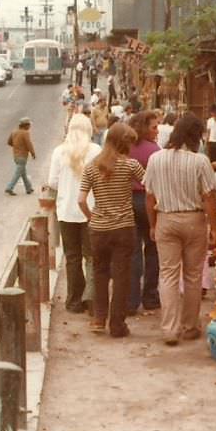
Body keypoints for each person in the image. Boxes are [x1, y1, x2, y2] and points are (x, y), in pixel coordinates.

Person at [144, 113, 216, 345]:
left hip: (166, 219)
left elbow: (149, 196)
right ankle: (189, 326)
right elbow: (209, 197)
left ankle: (169, 329)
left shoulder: (156, 159)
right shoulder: (200, 161)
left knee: (167, 274)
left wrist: (153, 224)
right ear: (196, 136)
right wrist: (214, 227)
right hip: (194, 221)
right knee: (193, 276)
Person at [78, 123, 144, 338]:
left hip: (99, 229)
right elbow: (150, 184)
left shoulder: (91, 166)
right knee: (122, 276)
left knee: (100, 273)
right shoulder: (130, 165)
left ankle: (99, 318)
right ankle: (117, 324)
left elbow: (81, 200)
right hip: (124, 227)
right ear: (123, 143)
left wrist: (92, 218)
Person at [48, 114, 102, 314]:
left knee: (72, 256)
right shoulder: (96, 151)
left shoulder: (59, 152)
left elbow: (52, 181)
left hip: (66, 211)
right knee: (91, 256)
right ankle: (92, 298)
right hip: (90, 210)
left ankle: (73, 300)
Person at [127, 111, 161, 314]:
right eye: (154, 127)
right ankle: (150, 296)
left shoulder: (126, 148)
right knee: (152, 249)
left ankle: (131, 300)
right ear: (143, 127)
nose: (157, 131)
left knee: (133, 252)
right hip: (148, 200)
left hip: (127, 201)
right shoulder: (154, 151)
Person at [5, 117, 36, 196]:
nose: (29, 127)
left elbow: (9, 142)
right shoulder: (25, 133)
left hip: (15, 156)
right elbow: (29, 144)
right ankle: (9, 187)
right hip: (22, 156)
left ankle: (28, 188)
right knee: (18, 174)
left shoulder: (14, 132)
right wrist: (33, 153)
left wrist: (17, 146)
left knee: (23, 173)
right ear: (25, 125)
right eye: (29, 125)